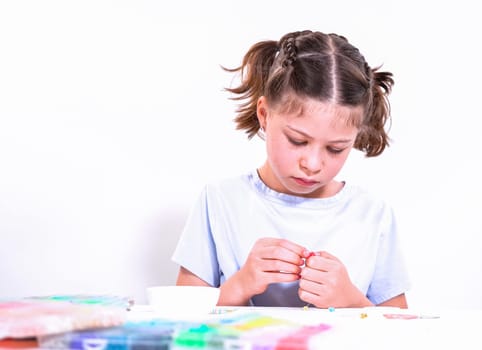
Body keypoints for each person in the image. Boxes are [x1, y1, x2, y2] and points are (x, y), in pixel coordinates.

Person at [172, 30, 411, 309]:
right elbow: (181, 315)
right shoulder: (220, 201)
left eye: (335, 149)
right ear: (264, 114)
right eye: (297, 140)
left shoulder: (372, 214)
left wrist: (352, 300)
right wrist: (240, 285)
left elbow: (399, 331)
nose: (312, 164)